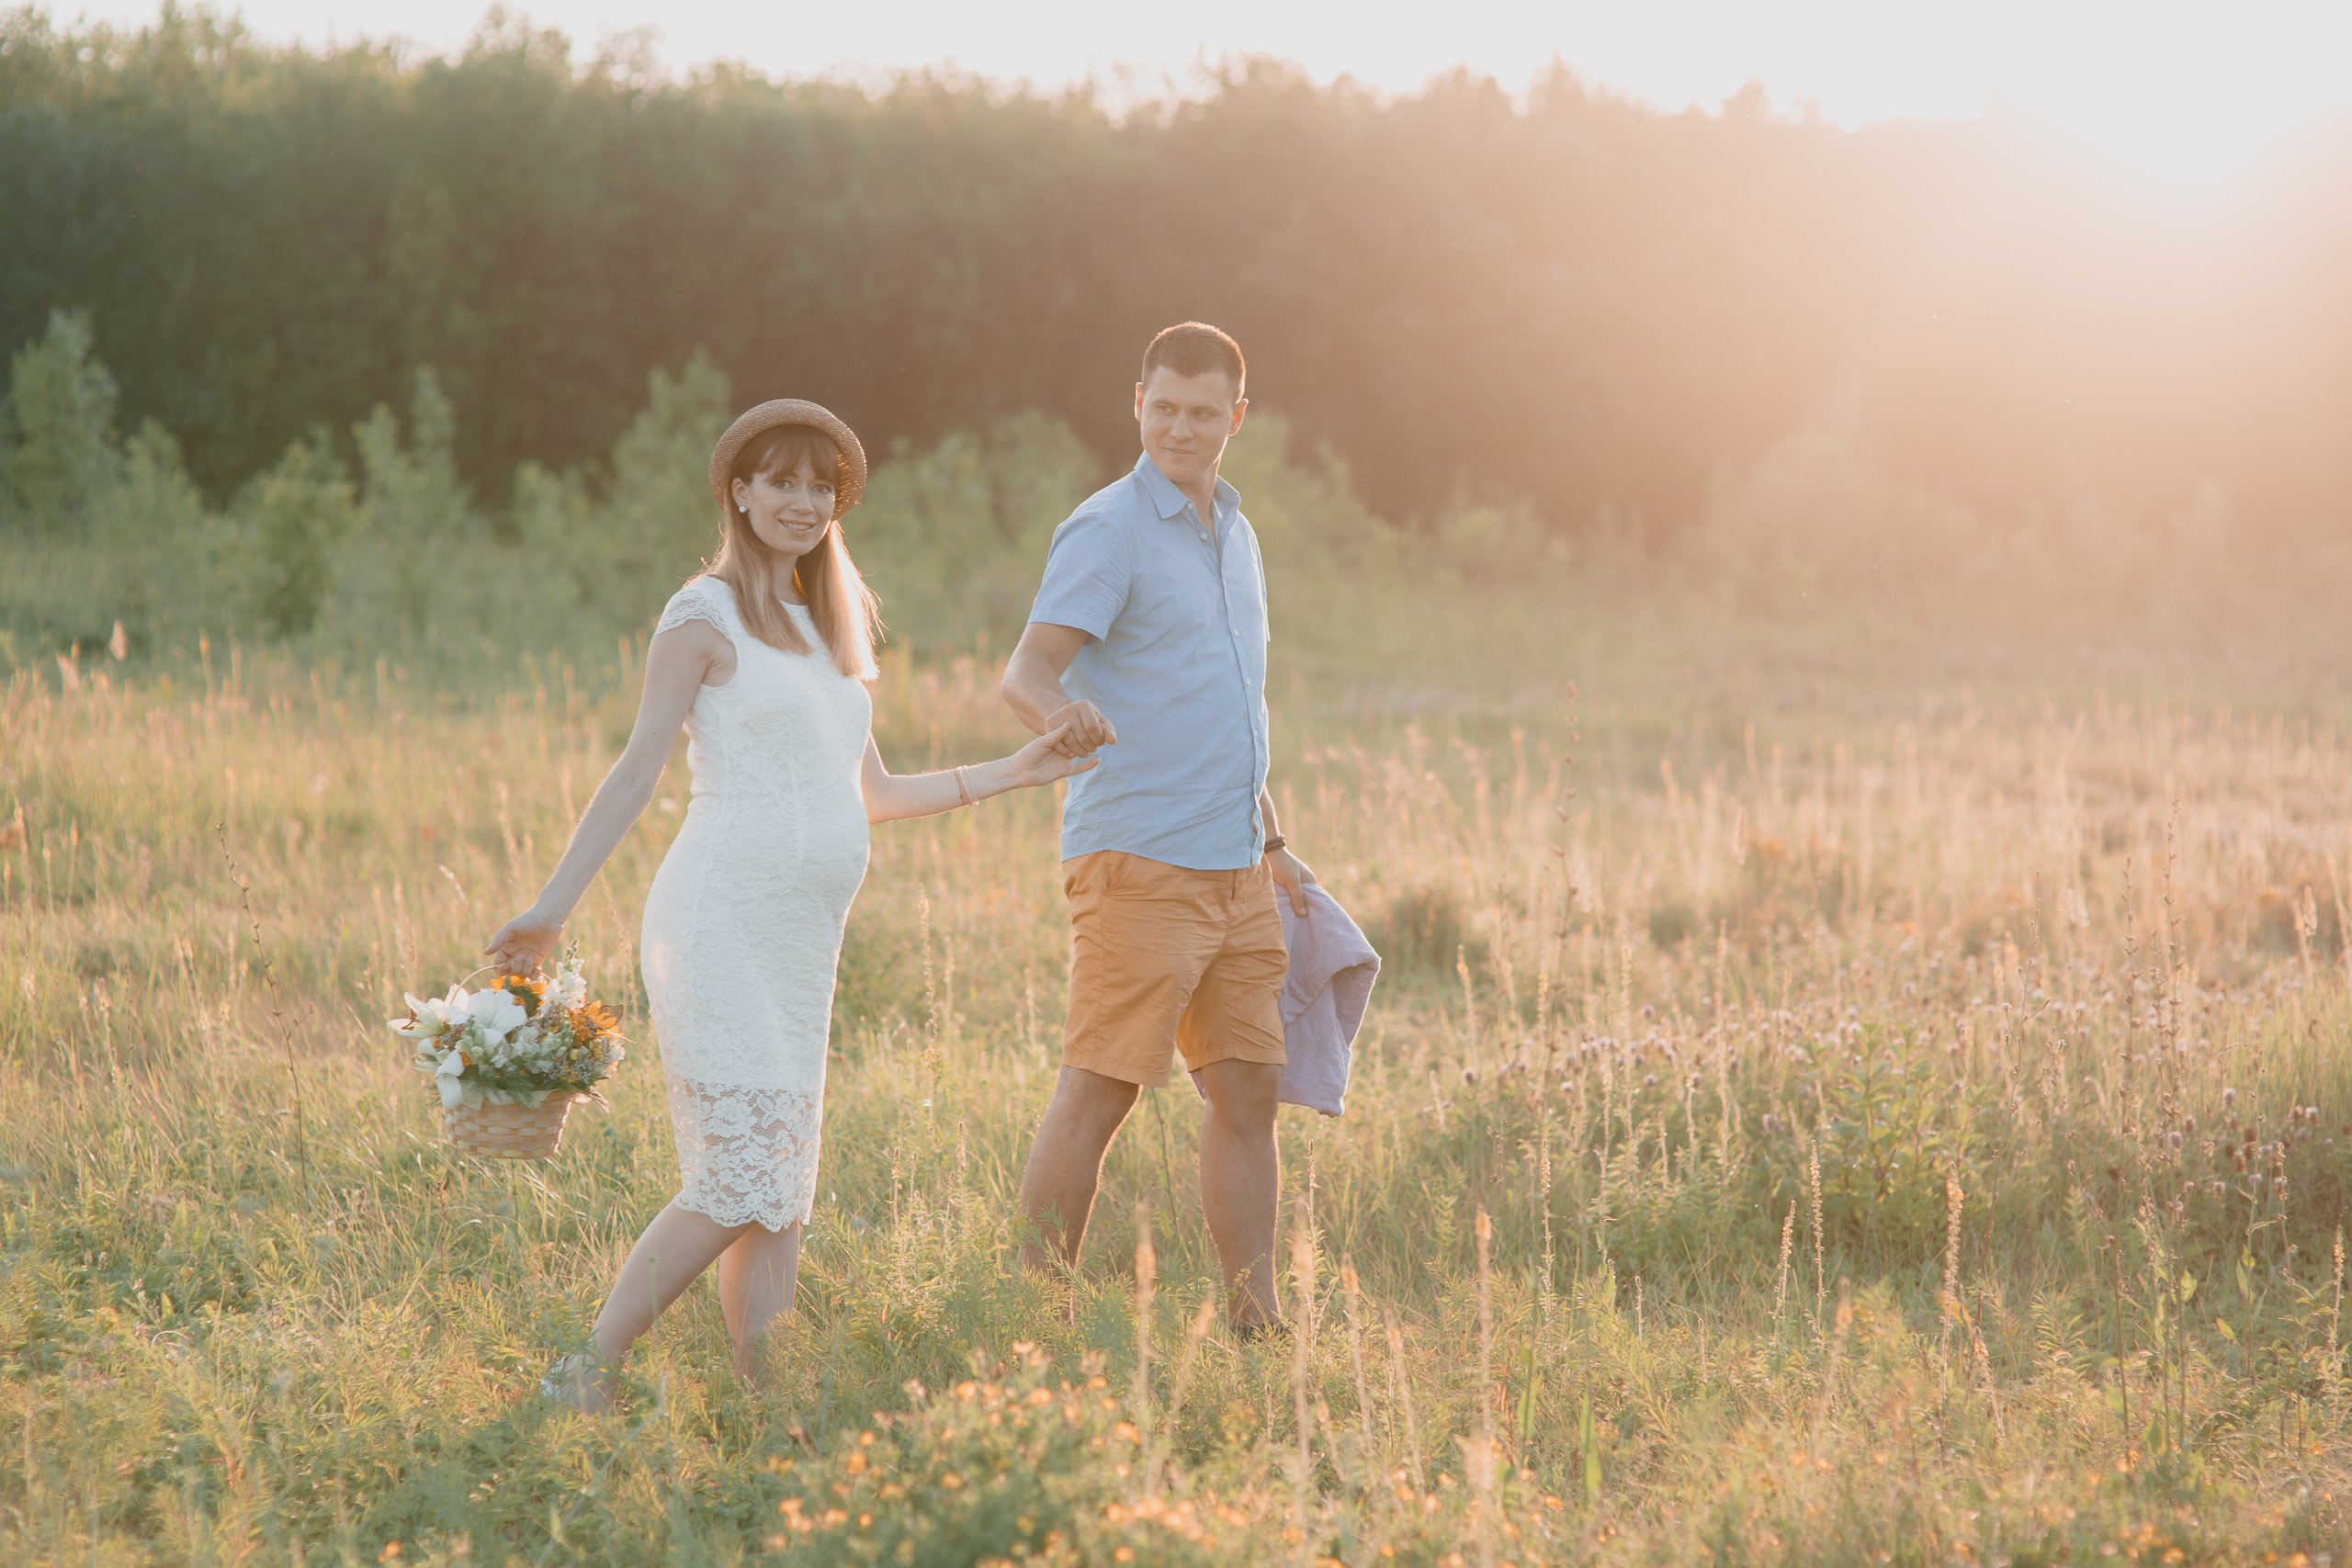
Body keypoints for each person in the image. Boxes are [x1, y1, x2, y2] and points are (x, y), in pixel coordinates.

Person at [486, 399, 1096, 1411]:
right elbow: (636, 773)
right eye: (781, 480)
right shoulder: (701, 617)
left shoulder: (827, 634)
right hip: (717, 919)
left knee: (781, 1195)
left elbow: (876, 794)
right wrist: (552, 909)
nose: (802, 502)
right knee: (733, 1179)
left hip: (802, 942)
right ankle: (585, 1374)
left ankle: (767, 1410)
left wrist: (1019, 770)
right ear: (739, 490)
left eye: (821, 487)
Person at [1001, 322, 1315, 1337]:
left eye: (1202, 411)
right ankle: (1031, 1314)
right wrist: (1060, 715)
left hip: (1233, 863)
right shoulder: (1108, 528)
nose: (1181, 427)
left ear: (1237, 416)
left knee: (1249, 1090)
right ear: (1136, 402)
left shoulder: (1238, 529)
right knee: (1101, 1090)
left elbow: (1225, 697)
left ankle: (1254, 1320)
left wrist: (1269, 839)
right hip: (1138, 858)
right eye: (1164, 406)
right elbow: (1027, 671)